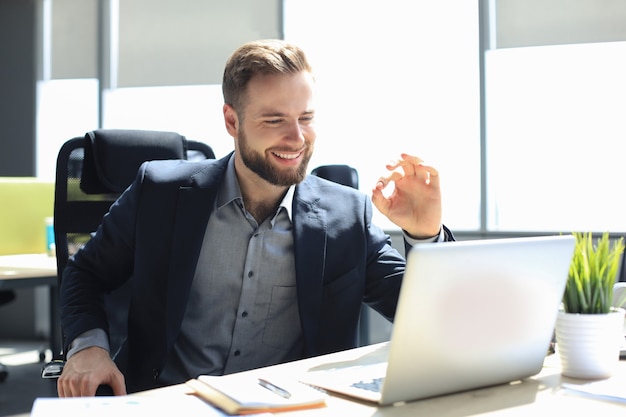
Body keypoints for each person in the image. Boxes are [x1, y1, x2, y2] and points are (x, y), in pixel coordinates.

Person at [57, 39, 454, 397]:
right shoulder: (160, 192)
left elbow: (429, 320)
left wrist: (425, 236)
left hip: (291, 408)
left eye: (306, 118)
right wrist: (88, 348)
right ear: (232, 121)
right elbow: (86, 273)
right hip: (166, 401)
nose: (297, 138)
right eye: (274, 120)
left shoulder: (347, 215)